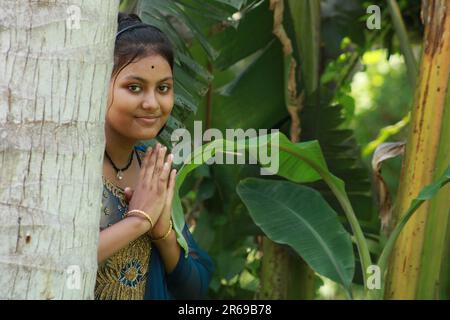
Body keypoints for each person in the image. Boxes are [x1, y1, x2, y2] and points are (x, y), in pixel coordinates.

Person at [95, 12, 213, 300]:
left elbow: (196, 286)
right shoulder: (66, 164)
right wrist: (138, 222)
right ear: (97, 85)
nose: (152, 103)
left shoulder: (153, 166)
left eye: (163, 88)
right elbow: (48, 261)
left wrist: (163, 233)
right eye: (134, 88)